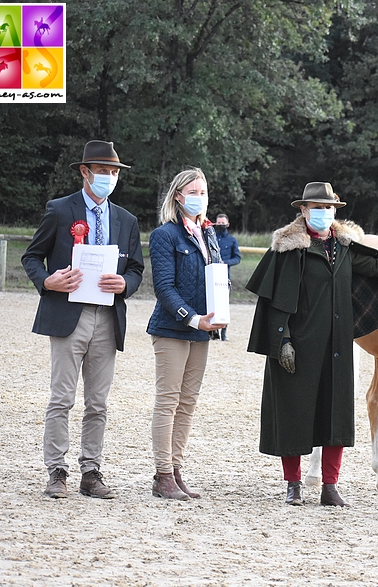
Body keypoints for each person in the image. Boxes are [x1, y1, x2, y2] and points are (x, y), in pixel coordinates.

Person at [245, 182, 378, 507]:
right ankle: (293, 483)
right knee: (293, 413)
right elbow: (274, 301)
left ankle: (330, 486)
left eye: (328, 208)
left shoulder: (344, 247)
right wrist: (283, 342)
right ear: (303, 210)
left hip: (334, 346)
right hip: (296, 347)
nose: (323, 214)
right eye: (316, 208)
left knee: (333, 416)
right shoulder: (288, 249)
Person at [21, 140, 144, 499]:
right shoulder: (60, 211)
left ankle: (91, 471)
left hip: (107, 316)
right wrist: (46, 280)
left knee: (98, 403)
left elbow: (136, 267)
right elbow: (32, 256)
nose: (109, 177)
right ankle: (56, 470)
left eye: (114, 172)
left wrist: (127, 284)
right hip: (67, 314)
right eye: (103, 171)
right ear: (84, 172)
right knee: (62, 398)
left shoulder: (126, 220)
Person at [146, 168, 227, 500]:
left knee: (188, 403)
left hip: (203, 330)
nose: (200, 197)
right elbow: (164, 288)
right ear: (178, 196)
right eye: (193, 191)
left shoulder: (209, 234)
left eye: (203, 191)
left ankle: (176, 469)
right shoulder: (165, 235)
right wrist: (193, 319)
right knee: (168, 401)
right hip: (172, 328)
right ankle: (162, 473)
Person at [214, 213, 241, 341]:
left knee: (223, 305)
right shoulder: (210, 238)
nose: (220, 225)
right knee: (210, 303)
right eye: (218, 223)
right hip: (210, 274)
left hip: (224, 276)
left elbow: (237, 258)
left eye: (222, 223)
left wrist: (226, 263)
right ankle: (213, 332)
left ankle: (224, 332)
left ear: (227, 224)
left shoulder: (232, 240)